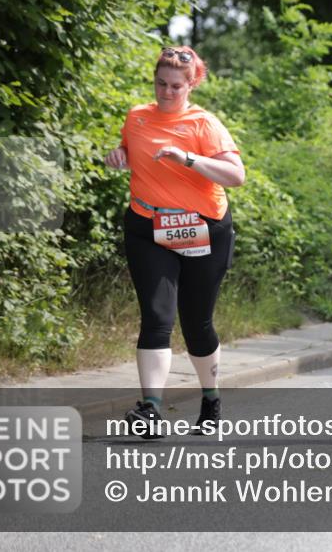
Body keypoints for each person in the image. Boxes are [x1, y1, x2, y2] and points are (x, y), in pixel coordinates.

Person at [105, 46, 245, 439]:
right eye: (161, 84)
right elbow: (134, 153)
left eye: (176, 86)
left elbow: (236, 176)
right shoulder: (136, 117)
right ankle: (150, 407)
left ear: (191, 84)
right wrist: (119, 155)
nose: (167, 92)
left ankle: (211, 398)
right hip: (149, 226)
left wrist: (187, 158)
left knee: (197, 323)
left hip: (204, 229)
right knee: (156, 316)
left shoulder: (205, 124)